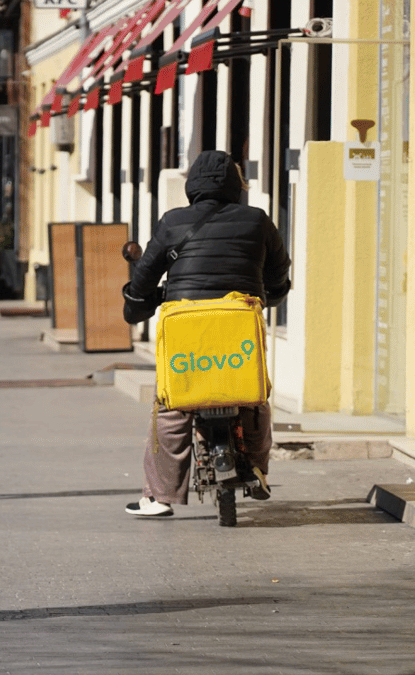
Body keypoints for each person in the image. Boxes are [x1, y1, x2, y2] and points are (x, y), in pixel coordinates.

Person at [122, 150, 291, 517]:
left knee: (171, 406)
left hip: (186, 327)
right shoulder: (257, 221)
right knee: (253, 397)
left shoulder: (172, 222)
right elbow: (279, 271)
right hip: (240, 321)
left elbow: (145, 275)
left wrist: (135, 302)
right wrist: (273, 294)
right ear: (235, 185)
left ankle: (159, 497)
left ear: (192, 185)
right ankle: (259, 471)